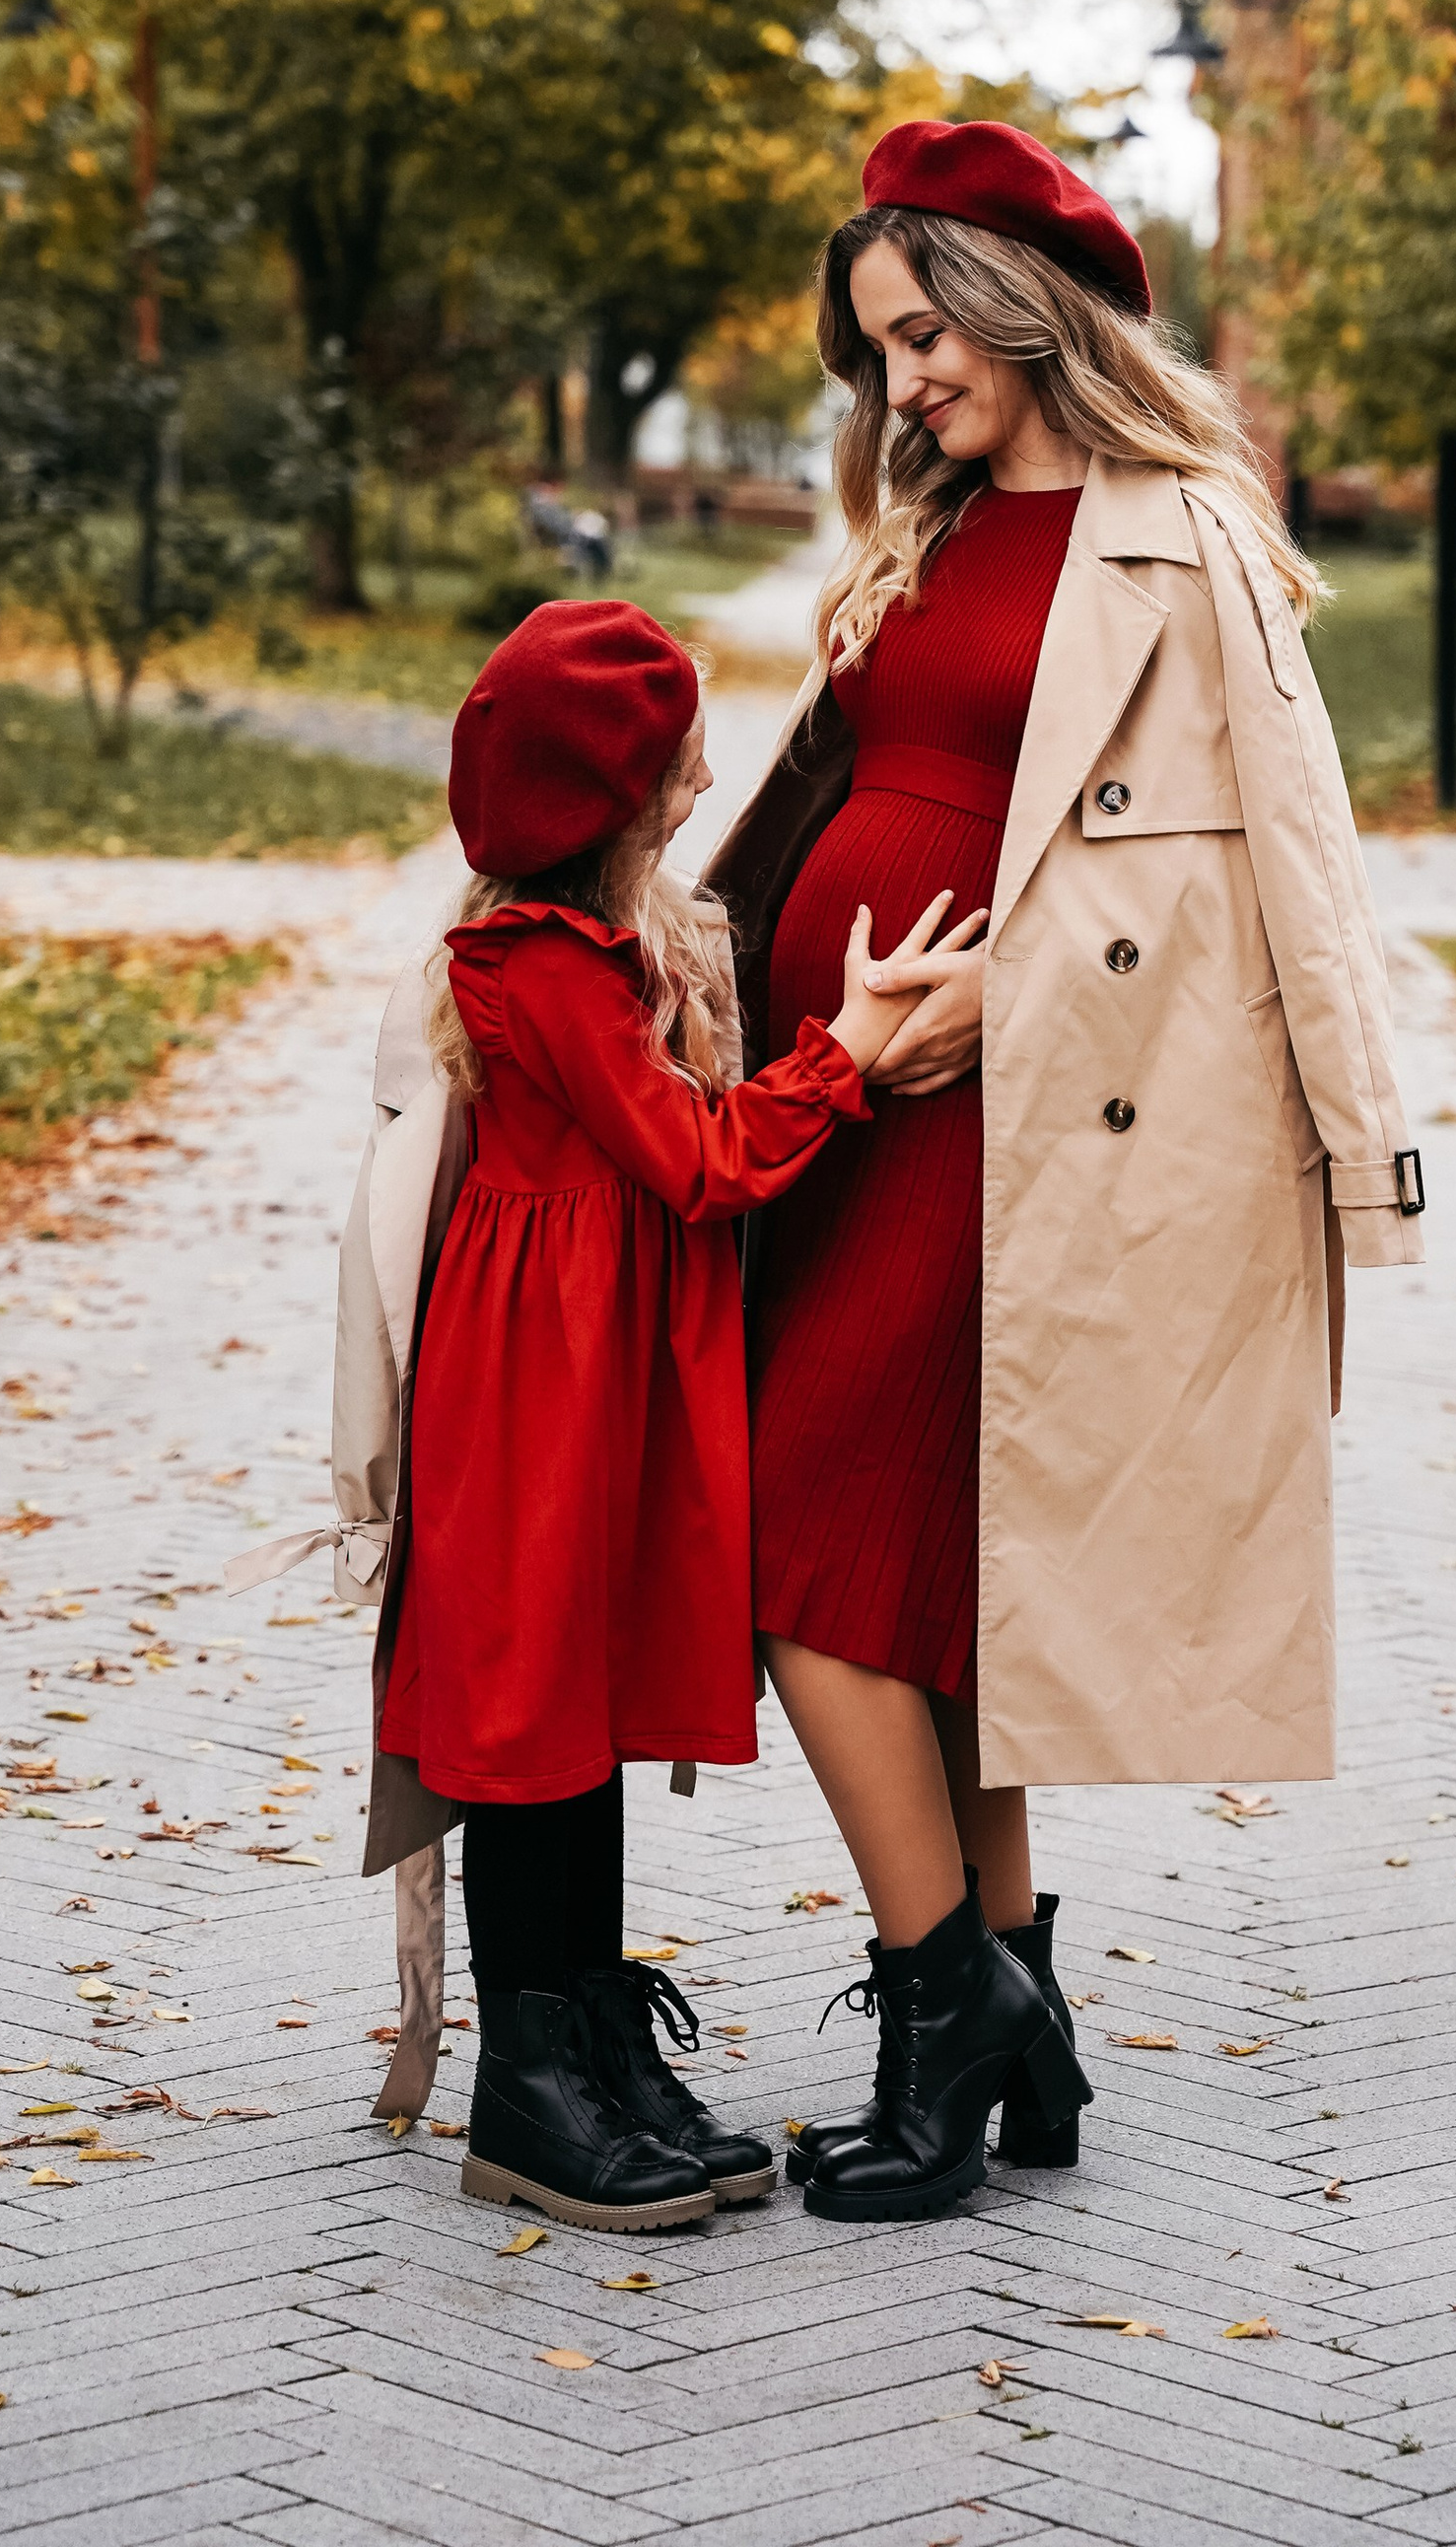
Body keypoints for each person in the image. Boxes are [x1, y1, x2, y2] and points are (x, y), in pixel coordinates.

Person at [705, 119, 1424, 2225]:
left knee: (811, 1551)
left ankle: (943, 2013)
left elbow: (1282, 858)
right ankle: (1013, 2006)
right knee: (940, 1577)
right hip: (844, 1099)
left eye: (922, 333)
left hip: (1022, 1117)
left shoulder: (1179, 535)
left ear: (1021, 310)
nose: (899, 381)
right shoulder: (913, 533)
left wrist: (1003, 1014)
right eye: (875, 350)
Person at [368, 596, 990, 2233]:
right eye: (681, 751)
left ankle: (589, 2034)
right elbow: (699, 1162)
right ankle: (530, 2076)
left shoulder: (611, 940)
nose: (710, 766)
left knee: (575, 1703)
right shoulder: (535, 962)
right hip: (536, 1394)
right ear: (618, 797)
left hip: (594, 1373)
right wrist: (847, 1051)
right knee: (529, 1714)